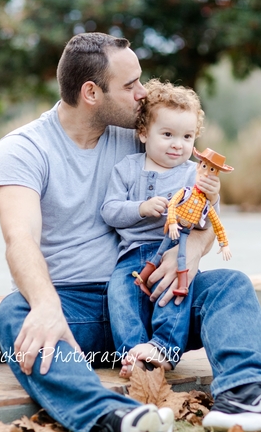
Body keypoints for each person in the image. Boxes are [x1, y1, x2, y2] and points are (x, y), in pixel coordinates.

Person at [0, 32, 261, 432]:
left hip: (156, 298)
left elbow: (204, 216)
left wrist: (185, 254)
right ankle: (107, 416)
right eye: (130, 85)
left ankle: (248, 394)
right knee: (15, 313)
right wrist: (47, 306)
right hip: (76, 309)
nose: (142, 94)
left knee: (229, 286)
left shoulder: (145, 134)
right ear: (90, 92)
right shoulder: (24, 149)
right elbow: (20, 239)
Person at [101, 80, 232, 378]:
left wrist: (211, 196)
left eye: (187, 136)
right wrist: (140, 208)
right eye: (168, 134)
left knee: (174, 294)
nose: (178, 144)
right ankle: (132, 352)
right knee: (120, 295)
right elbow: (109, 210)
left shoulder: (192, 175)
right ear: (144, 133)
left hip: (176, 252)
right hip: (132, 255)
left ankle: (164, 348)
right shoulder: (127, 168)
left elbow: (205, 220)